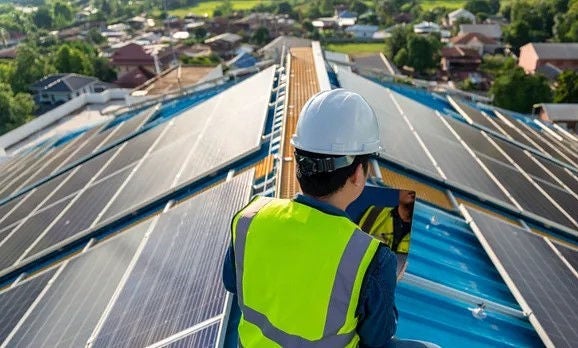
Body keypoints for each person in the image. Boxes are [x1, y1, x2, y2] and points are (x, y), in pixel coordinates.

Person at [222, 89, 439, 348]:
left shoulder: (250, 217)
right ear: (358, 174)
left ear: (298, 165)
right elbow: (378, 337)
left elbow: (231, 282)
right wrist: (384, 281)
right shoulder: (374, 258)